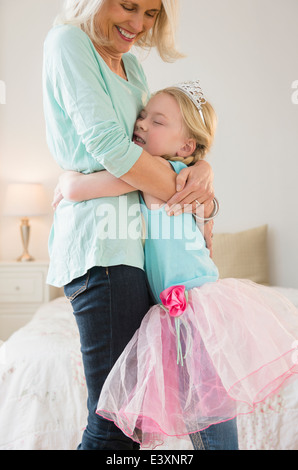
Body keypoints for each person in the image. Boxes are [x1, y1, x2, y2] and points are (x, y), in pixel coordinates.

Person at [56, 81, 298, 450]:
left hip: (192, 309)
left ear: (185, 146)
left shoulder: (156, 174)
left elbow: (76, 191)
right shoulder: (181, 177)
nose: (140, 124)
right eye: (141, 116)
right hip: (187, 308)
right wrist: (203, 166)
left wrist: (66, 179)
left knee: (210, 417)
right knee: (209, 414)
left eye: (156, 121)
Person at [43, 0, 216, 451]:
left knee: (131, 425)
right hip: (102, 248)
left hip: (134, 254)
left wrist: (202, 173)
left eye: (152, 14)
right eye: (128, 6)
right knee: (113, 425)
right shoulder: (69, 43)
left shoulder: (134, 69)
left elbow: (153, 153)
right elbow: (114, 150)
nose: (138, 24)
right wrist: (193, 187)